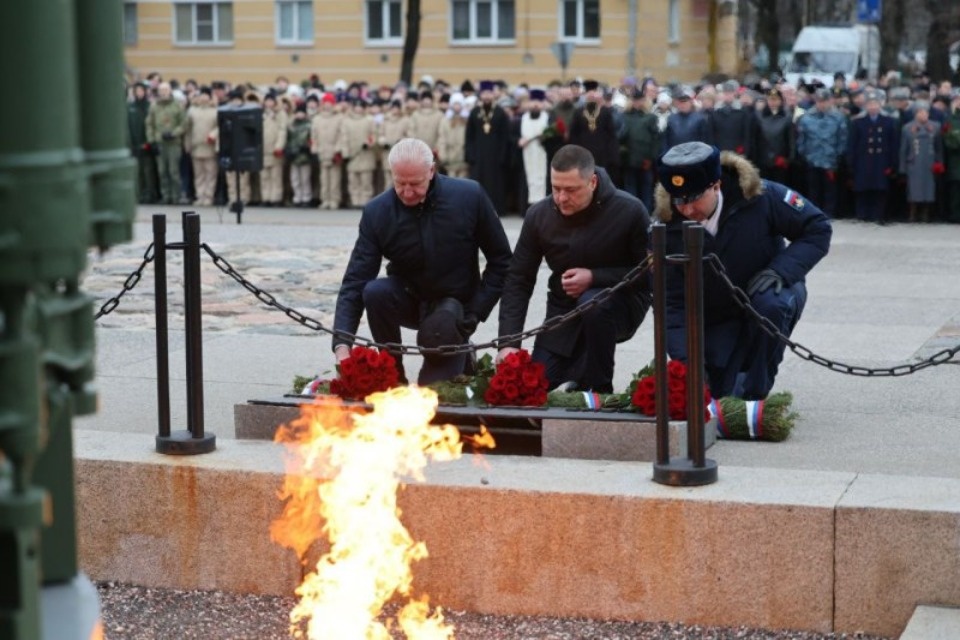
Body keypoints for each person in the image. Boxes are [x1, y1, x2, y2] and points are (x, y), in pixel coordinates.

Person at [655, 141, 831, 400]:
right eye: (679, 201)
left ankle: (755, 394)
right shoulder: (665, 229)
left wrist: (781, 271)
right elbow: (673, 303)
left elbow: (817, 228)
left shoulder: (762, 196)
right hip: (718, 313)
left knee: (771, 306)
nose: (688, 210)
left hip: (768, 291)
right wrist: (688, 363)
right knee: (717, 390)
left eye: (694, 199)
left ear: (716, 185)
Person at [332, 138, 513, 385]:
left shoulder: (469, 197)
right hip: (409, 297)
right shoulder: (378, 212)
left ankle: (462, 354)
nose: (407, 192)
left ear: (431, 171)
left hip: (455, 306)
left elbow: (502, 261)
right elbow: (356, 280)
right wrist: (343, 345)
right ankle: (393, 375)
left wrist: (475, 312)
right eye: (400, 183)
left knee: (434, 395)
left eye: (415, 184)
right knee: (374, 292)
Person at [496, 144, 652, 393]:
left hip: (619, 304)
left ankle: (599, 390)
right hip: (564, 309)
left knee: (594, 303)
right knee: (534, 385)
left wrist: (595, 277)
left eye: (570, 190)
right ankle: (579, 378)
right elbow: (519, 279)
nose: (561, 198)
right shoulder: (539, 215)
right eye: (555, 188)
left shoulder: (630, 211)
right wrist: (508, 342)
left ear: (592, 182)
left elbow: (650, 274)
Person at [846, 90, 898, 224]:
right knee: (862, 189)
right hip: (863, 160)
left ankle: (878, 214)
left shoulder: (888, 122)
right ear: (866, 106)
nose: (873, 107)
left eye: (875, 104)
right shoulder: (858, 122)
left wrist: (892, 163)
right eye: (870, 104)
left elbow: (893, 144)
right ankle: (862, 214)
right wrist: (851, 163)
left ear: (880, 105)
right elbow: (852, 144)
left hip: (881, 160)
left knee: (880, 189)